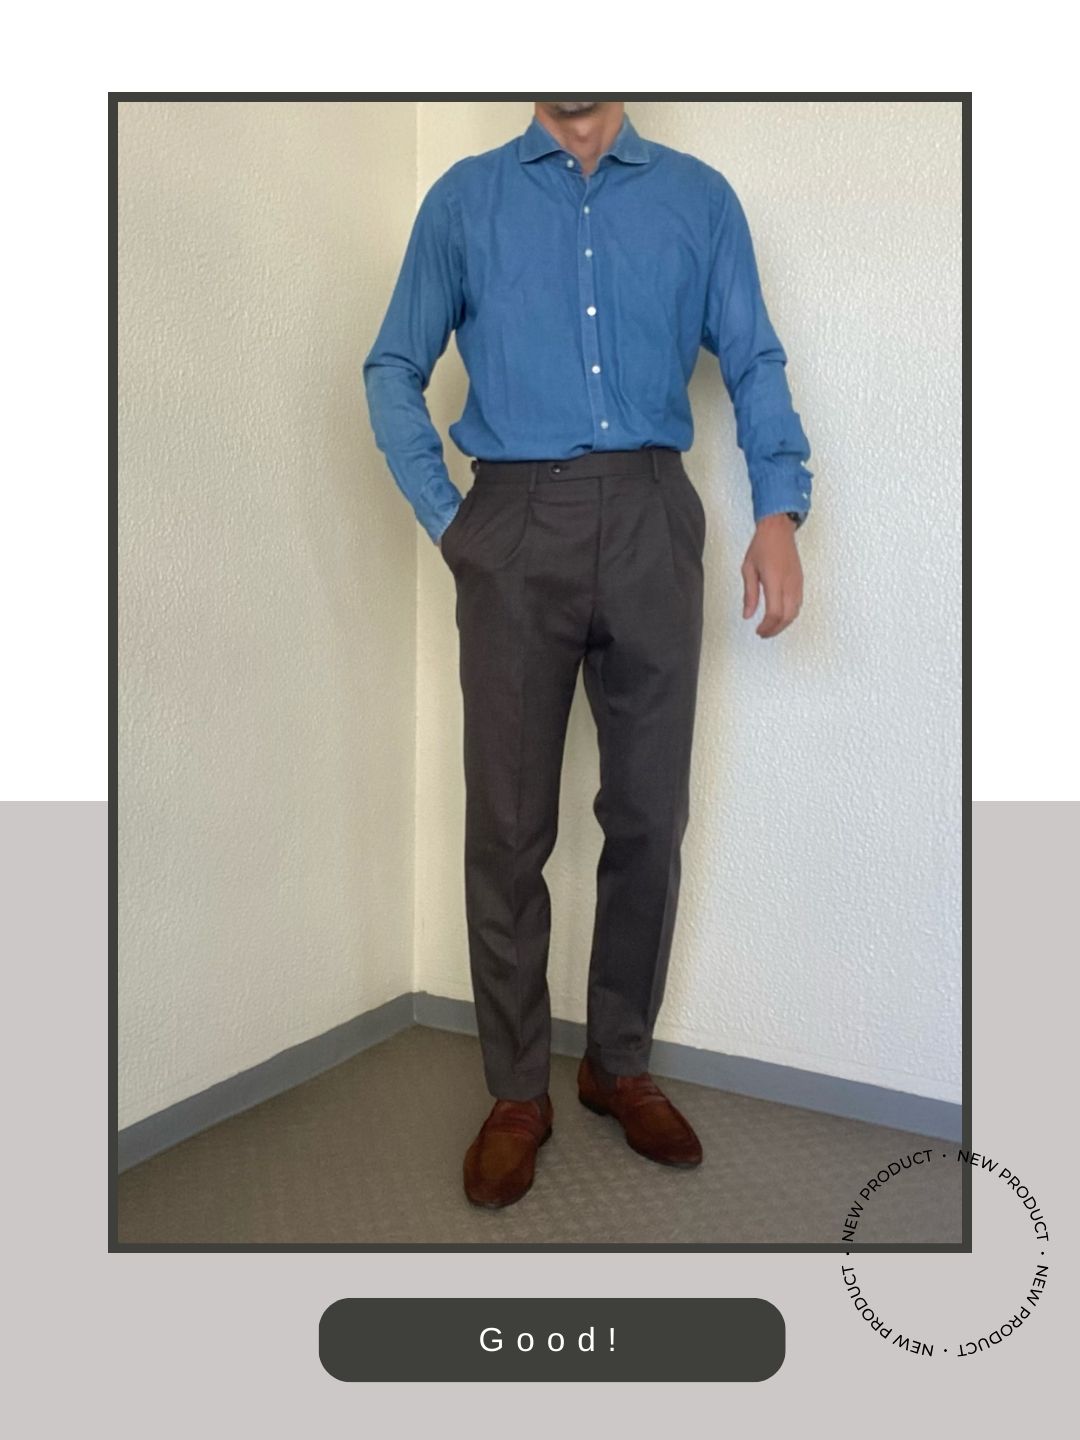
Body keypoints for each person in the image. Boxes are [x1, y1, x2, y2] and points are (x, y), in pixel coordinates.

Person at [363, 100, 813, 1209]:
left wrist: (779, 507)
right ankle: (519, 1092)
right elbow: (391, 367)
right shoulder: (465, 201)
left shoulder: (698, 200)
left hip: (654, 515)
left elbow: (753, 357)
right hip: (514, 523)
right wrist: (456, 525)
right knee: (509, 825)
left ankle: (618, 1063)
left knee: (651, 812)